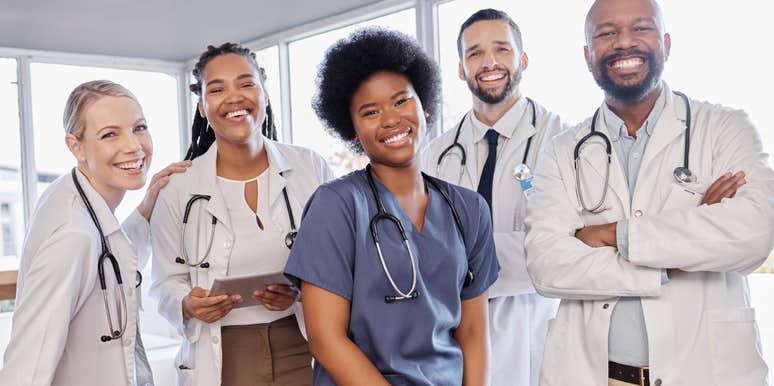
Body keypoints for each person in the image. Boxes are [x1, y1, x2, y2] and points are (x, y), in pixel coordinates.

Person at [524, 0, 774, 385]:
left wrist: (612, 235)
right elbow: (547, 265)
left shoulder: (726, 128)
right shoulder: (561, 150)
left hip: (706, 372)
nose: (624, 42)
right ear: (588, 55)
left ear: (667, 43)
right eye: (606, 34)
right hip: (593, 374)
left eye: (641, 28)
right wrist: (681, 250)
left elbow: (753, 234)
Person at [284, 27, 500, 386]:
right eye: (370, 112)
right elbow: (326, 339)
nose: (390, 119)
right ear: (351, 129)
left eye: (401, 101)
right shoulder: (336, 206)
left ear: (425, 107)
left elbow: (474, 331)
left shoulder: (468, 209)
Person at [150, 42, 333, 386]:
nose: (233, 97)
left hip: (302, 344)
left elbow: (339, 262)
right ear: (202, 107)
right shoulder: (178, 187)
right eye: (217, 89)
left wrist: (298, 291)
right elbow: (164, 280)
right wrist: (188, 305)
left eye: (246, 83)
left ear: (264, 93)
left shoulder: (310, 168)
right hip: (223, 356)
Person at [0, 80, 190, 386]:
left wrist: (145, 209)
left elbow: (111, 259)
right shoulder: (73, 235)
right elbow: (27, 366)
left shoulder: (71, 194)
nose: (133, 145)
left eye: (139, 127)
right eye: (110, 134)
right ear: (76, 146)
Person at [421, 9, 561, 386]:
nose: (489, 63)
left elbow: (561, 248)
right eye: (475, 53)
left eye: (502, 49)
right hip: (455, 335)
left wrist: (462, 264)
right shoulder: (435, 154)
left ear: (523, 59)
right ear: (461, 69)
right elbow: (424, 250)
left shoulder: (561, 140)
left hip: (534, 330)